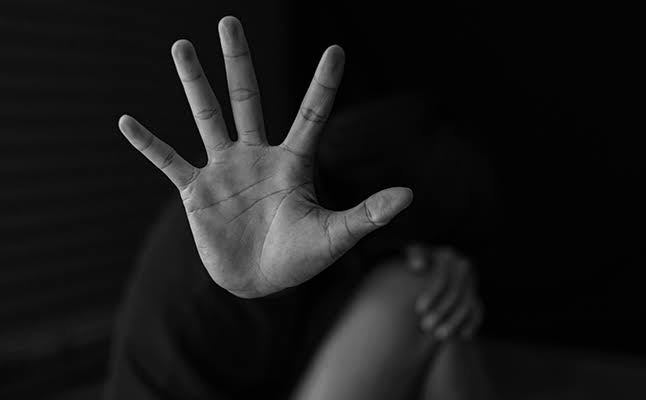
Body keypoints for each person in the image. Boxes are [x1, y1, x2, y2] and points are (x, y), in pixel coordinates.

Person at [106, 16, 491, 399]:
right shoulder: (242, 221)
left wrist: (445, 272)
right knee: (418, 293)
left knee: (440, 312)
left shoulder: (297, 216)